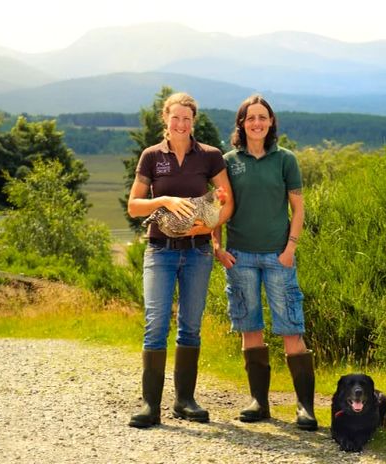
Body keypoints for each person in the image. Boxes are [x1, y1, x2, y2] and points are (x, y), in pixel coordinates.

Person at [127, 92, 233, 429]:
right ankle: (150, 405)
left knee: (190, 324)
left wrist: (208, 224)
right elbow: (134, 206)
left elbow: (226, 201)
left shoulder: (211, 156)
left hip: (199, 251)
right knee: (155, 323)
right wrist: (167, 199)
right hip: (160, 251)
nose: (181, 124)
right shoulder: (150, 157)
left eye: (187, 118)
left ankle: (185, 401)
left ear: (194, 121)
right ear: (165, 119)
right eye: (176, 118)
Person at [212, 94, 317, 431]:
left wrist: (290, 249)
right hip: (239, 257)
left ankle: (305, 408)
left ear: (271, 122)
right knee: (249, 327)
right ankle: (259, 403)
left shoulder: (285, 160)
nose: (257, 123)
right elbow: (218, 207)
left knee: (291, 327)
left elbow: (298, 209)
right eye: (250, 117)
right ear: (241, 123)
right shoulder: (228, 161)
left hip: (278, 256)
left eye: (263, 117)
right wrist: (217, 245)